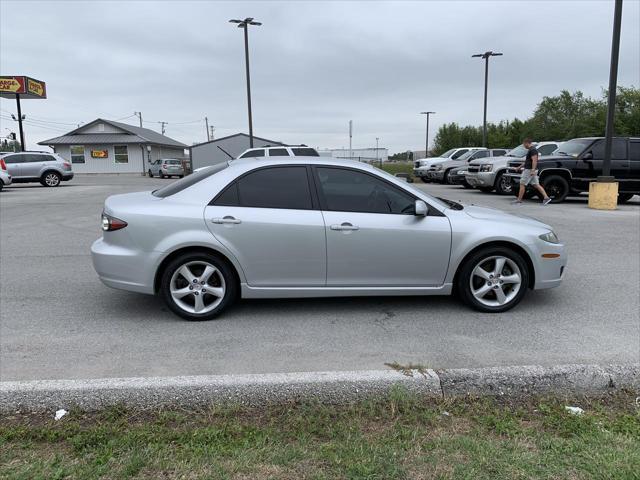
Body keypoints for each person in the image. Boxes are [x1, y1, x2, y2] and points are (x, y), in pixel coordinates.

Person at [511, 138, 552, 205]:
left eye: (524, 144)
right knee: (536, 185)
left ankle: (519, 201)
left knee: (522, 184)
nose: (523, 146)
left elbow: (534, 160)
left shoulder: (533, 150)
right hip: (530, 170)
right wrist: (519, 167)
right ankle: (546, 198)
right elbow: (527, 161)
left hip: (529, 170)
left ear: (526, 143)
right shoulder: (531, 150)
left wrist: (532, 170)